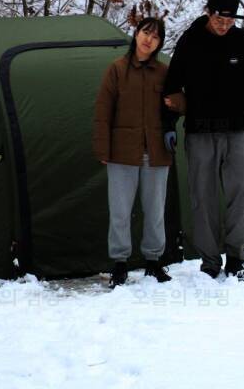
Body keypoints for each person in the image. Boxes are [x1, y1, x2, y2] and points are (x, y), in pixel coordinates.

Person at [163, 0, 244, 282]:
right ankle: (210, 261)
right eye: (219, 19)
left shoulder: (241, 41)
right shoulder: (190, 41)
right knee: (204, 197)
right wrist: (168, 124)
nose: (224, 25)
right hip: (200, 132)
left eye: (229, 20)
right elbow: (172, 86)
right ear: (208, 13)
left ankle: (235, 257)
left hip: (237, 130)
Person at [92, 16, 177, 288]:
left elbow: (181, 101)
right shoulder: (117, 69)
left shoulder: (164, 72)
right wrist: (103, 148)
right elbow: (103, 111)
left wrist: (177, 102)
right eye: (145, 32)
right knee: (120, 210)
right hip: (121, 153)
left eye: (155, 36)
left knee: (155, 210)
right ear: (136, 33)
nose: (149, 39)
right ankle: (120, 264)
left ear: (159, 43)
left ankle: (153, 261)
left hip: (156, 152)